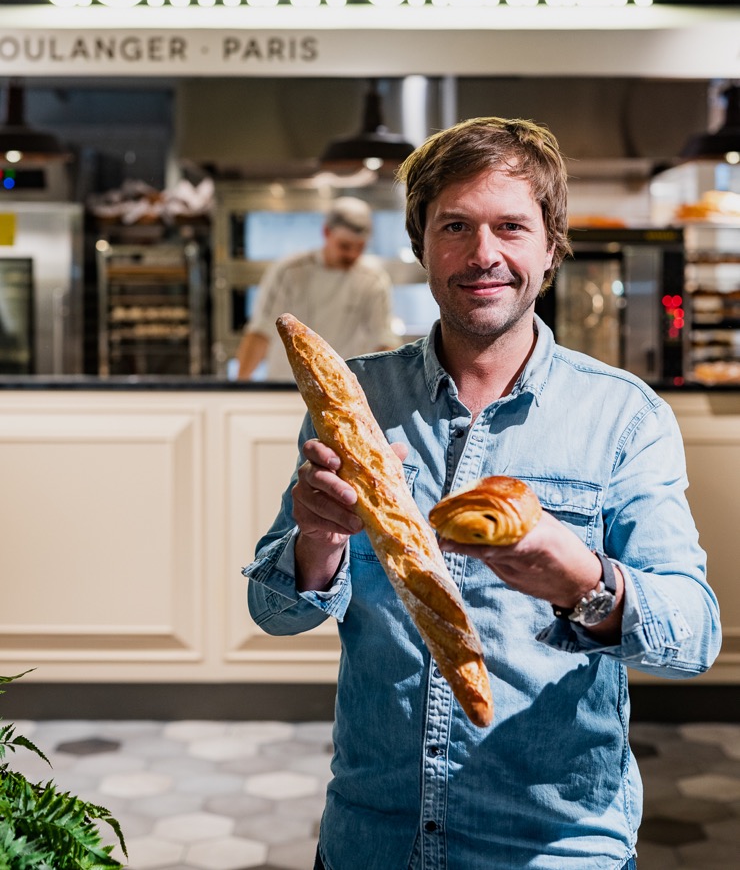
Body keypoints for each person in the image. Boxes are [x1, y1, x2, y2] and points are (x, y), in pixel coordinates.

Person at [243, 117, 721, 870]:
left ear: (551, 245)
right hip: (375, 839)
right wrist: (318, 539)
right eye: (455, 225)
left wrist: (587, 584)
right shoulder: (357, 399)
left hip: (553, 845)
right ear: (420, 244)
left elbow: (695, 636)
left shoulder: (624, 417)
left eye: (511, 226)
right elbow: (273, 612)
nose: (483, 254)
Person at [236, 196, 398, 381]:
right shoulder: (289, 272)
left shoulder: (372, 280)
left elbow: (384, 341)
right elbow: (260, 331)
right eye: (344, 246)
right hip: (286, 387)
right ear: (326, 232)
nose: (352, 254)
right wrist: (240, 386)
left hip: (341, 390)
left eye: (360, 247)